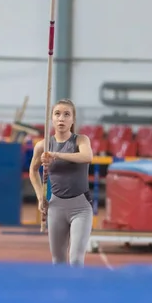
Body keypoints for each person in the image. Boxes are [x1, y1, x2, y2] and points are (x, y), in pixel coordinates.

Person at [29, 98, 93, 266]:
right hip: (56, 207)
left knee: (76, 260)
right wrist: (40, 197)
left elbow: (87, 157)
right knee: (58, 261)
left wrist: (56, 155)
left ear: (73, 120)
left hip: (81, 208)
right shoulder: (43, 145)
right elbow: (33, 171)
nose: (61, 118)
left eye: (66, 114)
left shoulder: (81, 140)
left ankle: (76, 291)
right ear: (51, 118)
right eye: (57, 114)